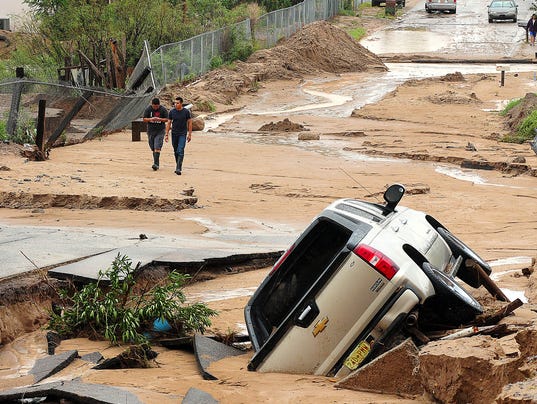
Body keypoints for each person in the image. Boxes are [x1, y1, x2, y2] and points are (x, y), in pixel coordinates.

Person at [166, 96, 192, 175]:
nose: (175, 104)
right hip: (174, 134)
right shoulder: (172, 112)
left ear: (181, 104)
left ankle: (178, 168)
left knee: (180, 150)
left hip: (182, 134)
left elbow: (190, 122)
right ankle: (178, 164)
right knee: (175, 151)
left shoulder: (186, 112)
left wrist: (189, 134)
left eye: (177, 103)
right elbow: (169, 122)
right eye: (175, 103)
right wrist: (166, 134)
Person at [142, 98, 169, 171]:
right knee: (152, 147)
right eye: (154, 106)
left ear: (159, 105)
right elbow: (144, 119)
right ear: (152, 105)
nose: (155, 108)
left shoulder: (163, 109)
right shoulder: (148, 109)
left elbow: (167, 119)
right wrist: (151, 119)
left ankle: (156, 164)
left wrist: (159, 119)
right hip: (151, 131)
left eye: (157, 107)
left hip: (160, 130)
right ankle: (156, 161)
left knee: (157, 146)